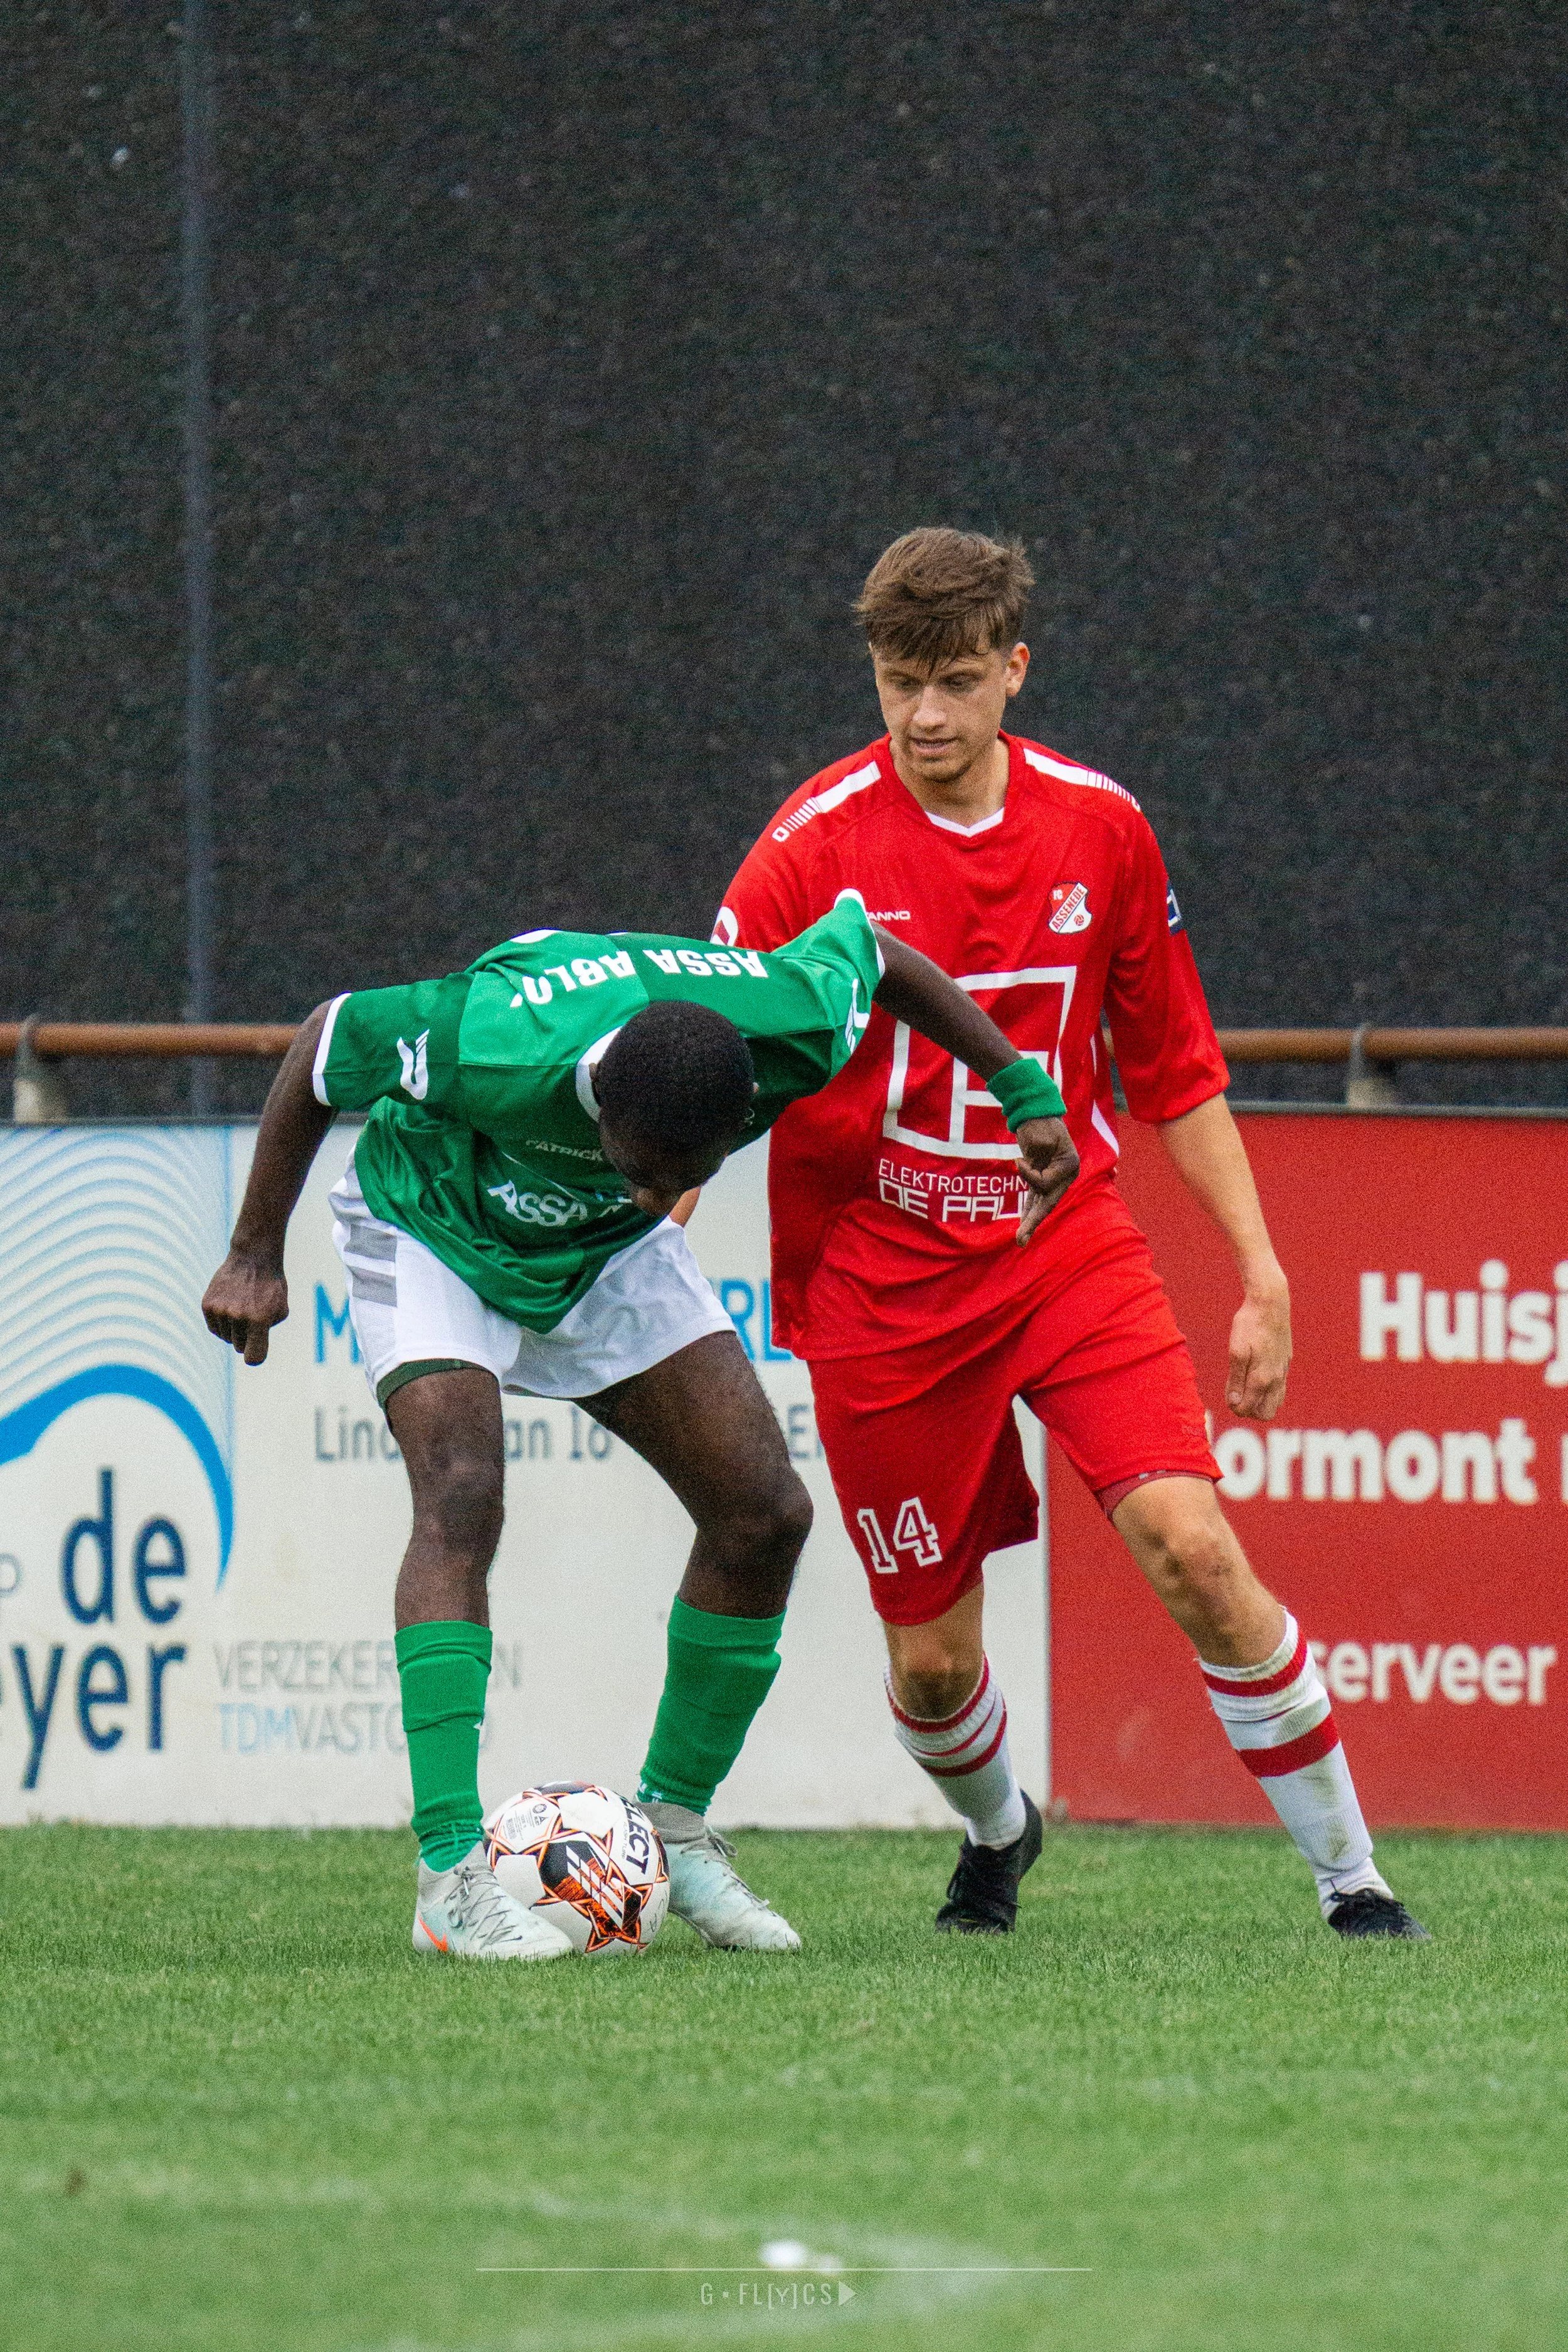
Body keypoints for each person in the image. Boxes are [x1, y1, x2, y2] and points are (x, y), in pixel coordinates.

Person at [711, 527, 1428, 1941]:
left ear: (1012, 672)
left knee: (1191, 1548)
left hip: (1064, 1252)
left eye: (956, 680)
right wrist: (650, 1202)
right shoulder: (806, 850)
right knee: (928, 1670)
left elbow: (1175, 1069)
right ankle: (999, 1833)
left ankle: (1356, 1886)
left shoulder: (1099, 827)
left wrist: (1261, 1270)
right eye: (896, 679)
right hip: (885, 1279)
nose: (923, 714)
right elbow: (707, 1056)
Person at [202, 895, 1076, 1960]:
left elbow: (880, 954)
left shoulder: (783, 1021)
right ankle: (449, 1874)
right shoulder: (498, 1036)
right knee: (462, 1490)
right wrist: (255, 1248)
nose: (664, 1192)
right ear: (598, 1102)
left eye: (688, 1177)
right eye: (638, 1165)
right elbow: (323, 1043)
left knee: (764, 1515)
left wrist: (1021, 1086)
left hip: (603, 1255)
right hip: (432, 1218)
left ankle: (672, 1825)